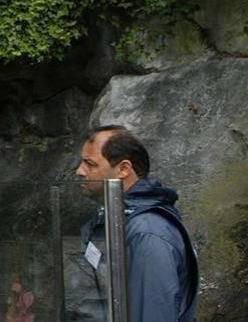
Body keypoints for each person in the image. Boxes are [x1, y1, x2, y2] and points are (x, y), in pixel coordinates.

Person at [74, 125, 199, 321]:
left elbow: (153, 313)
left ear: (124, 169)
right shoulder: (112, 218)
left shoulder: (147, 231)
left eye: (90, 164)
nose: (79, 171)